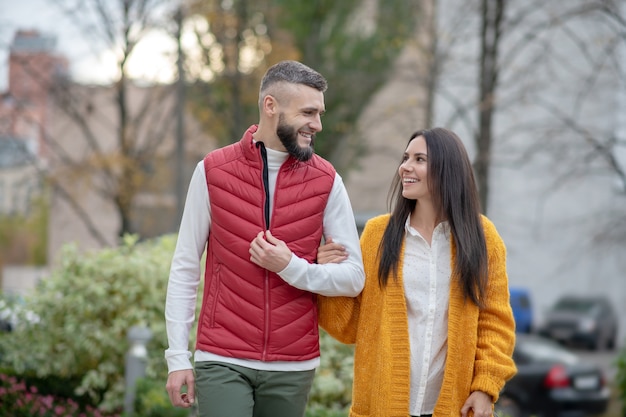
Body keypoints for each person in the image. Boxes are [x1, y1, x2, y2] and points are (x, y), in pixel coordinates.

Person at [164, 60, 365, 417]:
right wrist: (177, 357)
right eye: (308, 112)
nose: (317, 124)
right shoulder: (212, 171)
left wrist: (292, 267)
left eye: (319, 113)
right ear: (271, 106)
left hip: (293, 364)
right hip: (222, 356)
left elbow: (353, 278)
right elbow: (184, 267)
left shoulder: (327, 180)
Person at [317, 128, 517, 417]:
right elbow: (350, 325)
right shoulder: (377, 235)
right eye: (406, 157)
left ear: (448, 169)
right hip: (382, 405)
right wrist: (328, 276)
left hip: (455, 407)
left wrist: (485, 387)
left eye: (419, 159)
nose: (405, 167)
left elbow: (495, 323)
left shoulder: (483, 237)